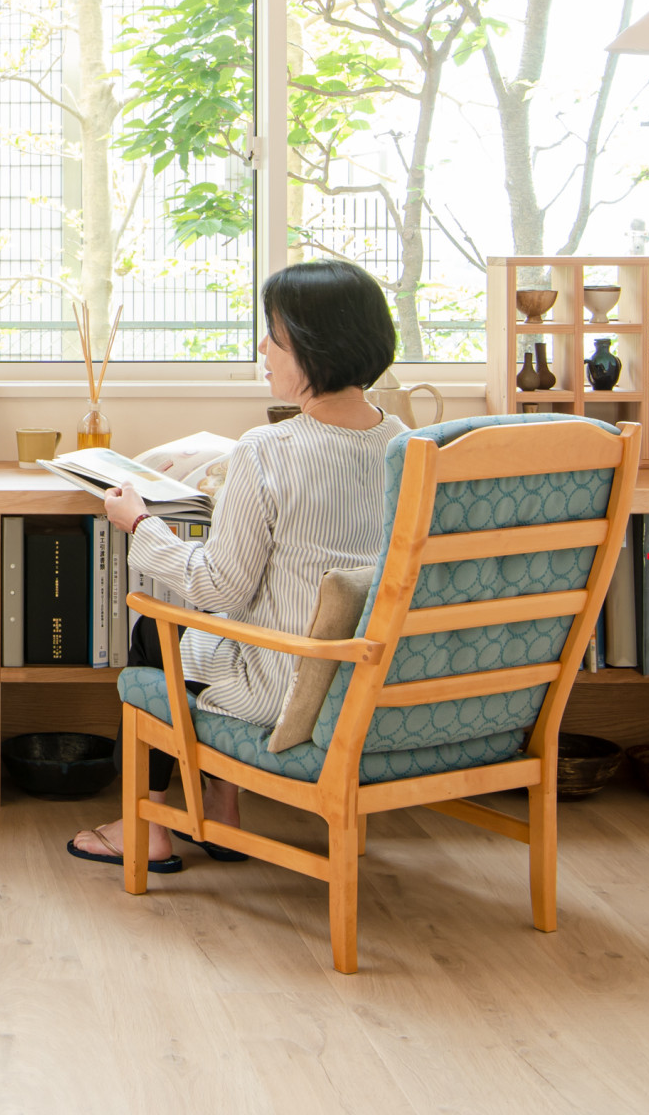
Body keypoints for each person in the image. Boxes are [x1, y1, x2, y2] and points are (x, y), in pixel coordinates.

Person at [67, 259, 404, 874]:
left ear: (312, 346)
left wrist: (140, 523)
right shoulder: (408, 444)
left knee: (155, 631)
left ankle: (145, 827)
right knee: (207, 631)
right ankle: (223, 812)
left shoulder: (269, 448)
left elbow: (218, 583)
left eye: (274, 334)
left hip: (290, 684)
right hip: (376, 679)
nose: (263, 349)